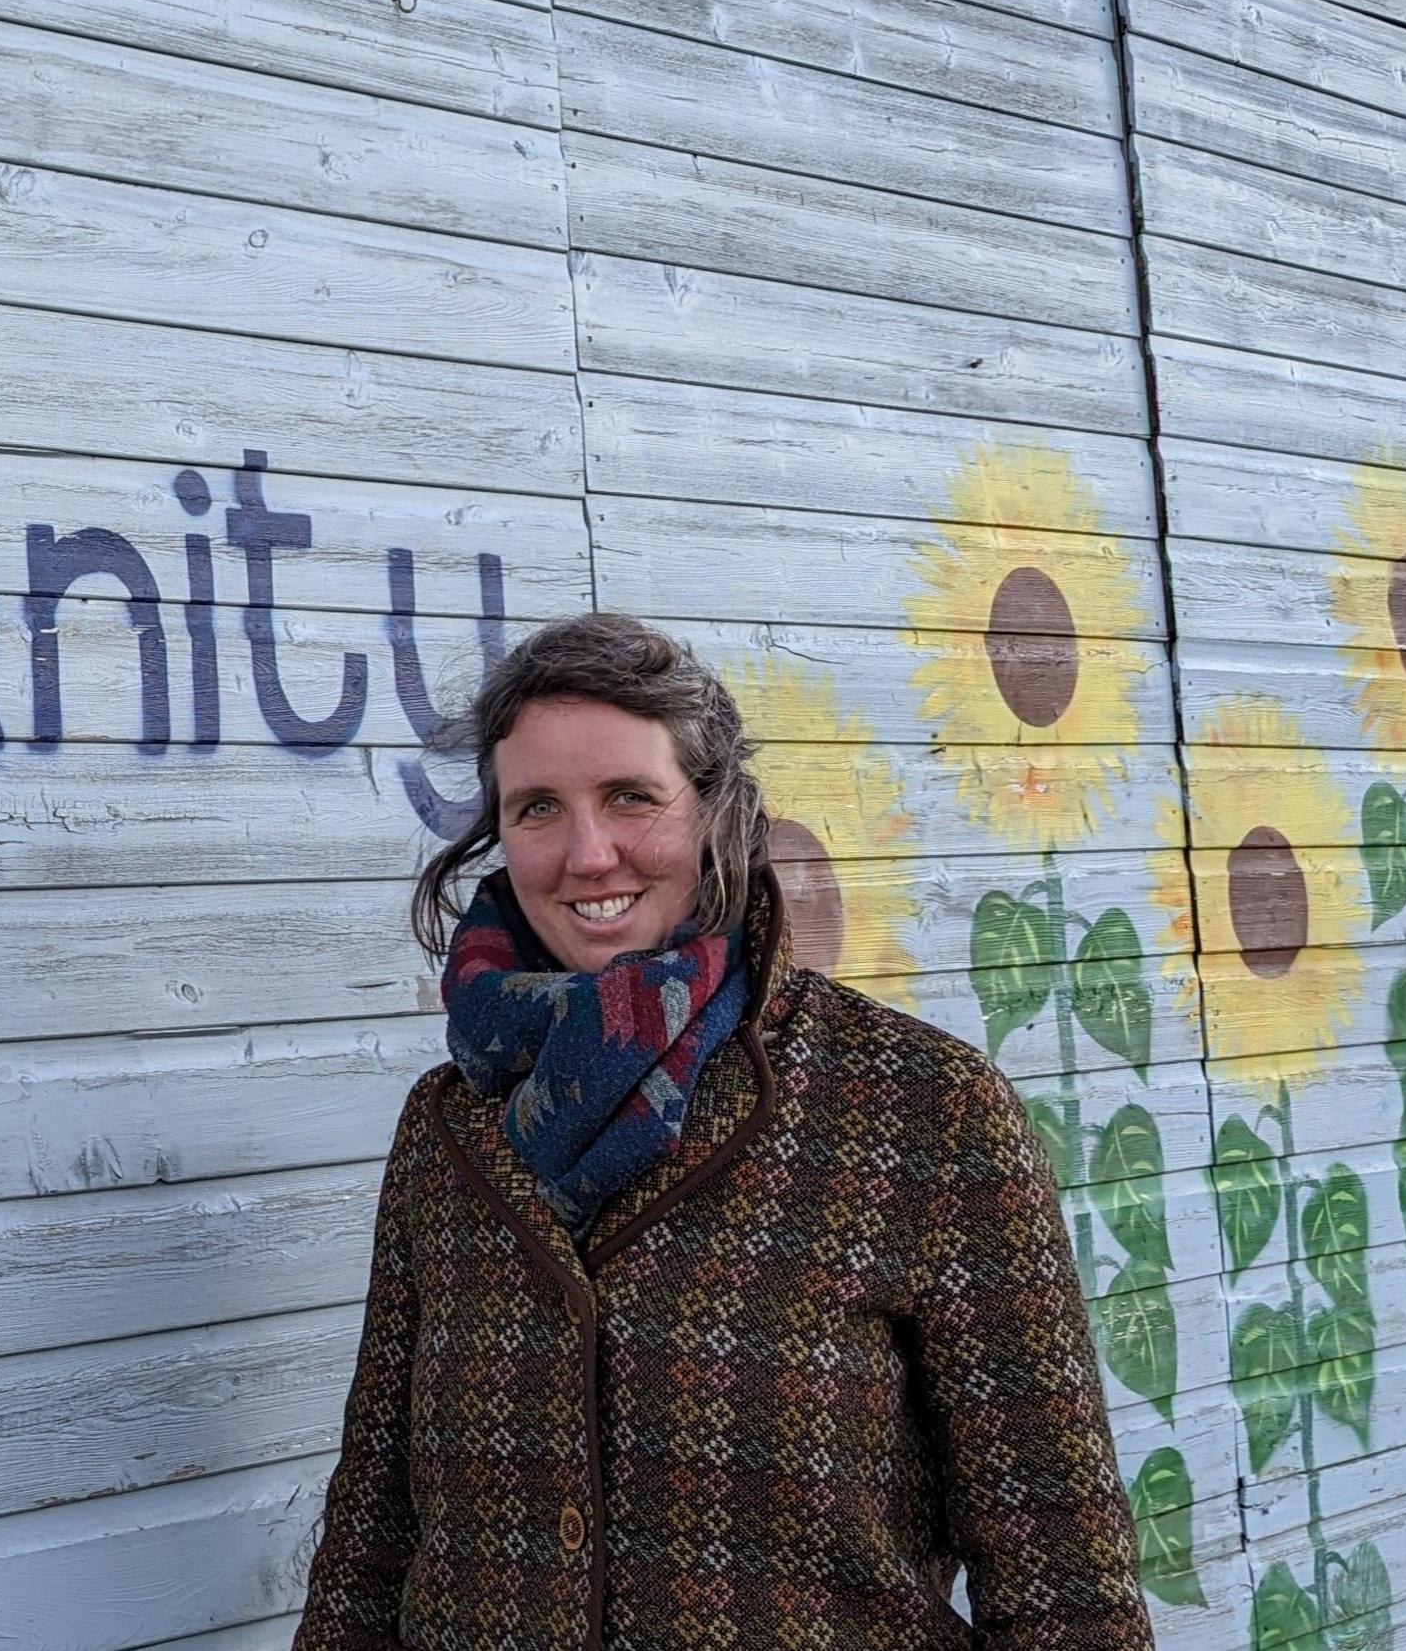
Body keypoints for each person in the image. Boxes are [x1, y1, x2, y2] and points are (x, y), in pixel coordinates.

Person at [292, 612, 1149, 1651]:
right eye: (537, 807)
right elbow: (373, 1535)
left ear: (716, 813)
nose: (586, 851)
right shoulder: (450, 1125)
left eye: (631, 796)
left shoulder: (922, 1109)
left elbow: (1062, 1573)